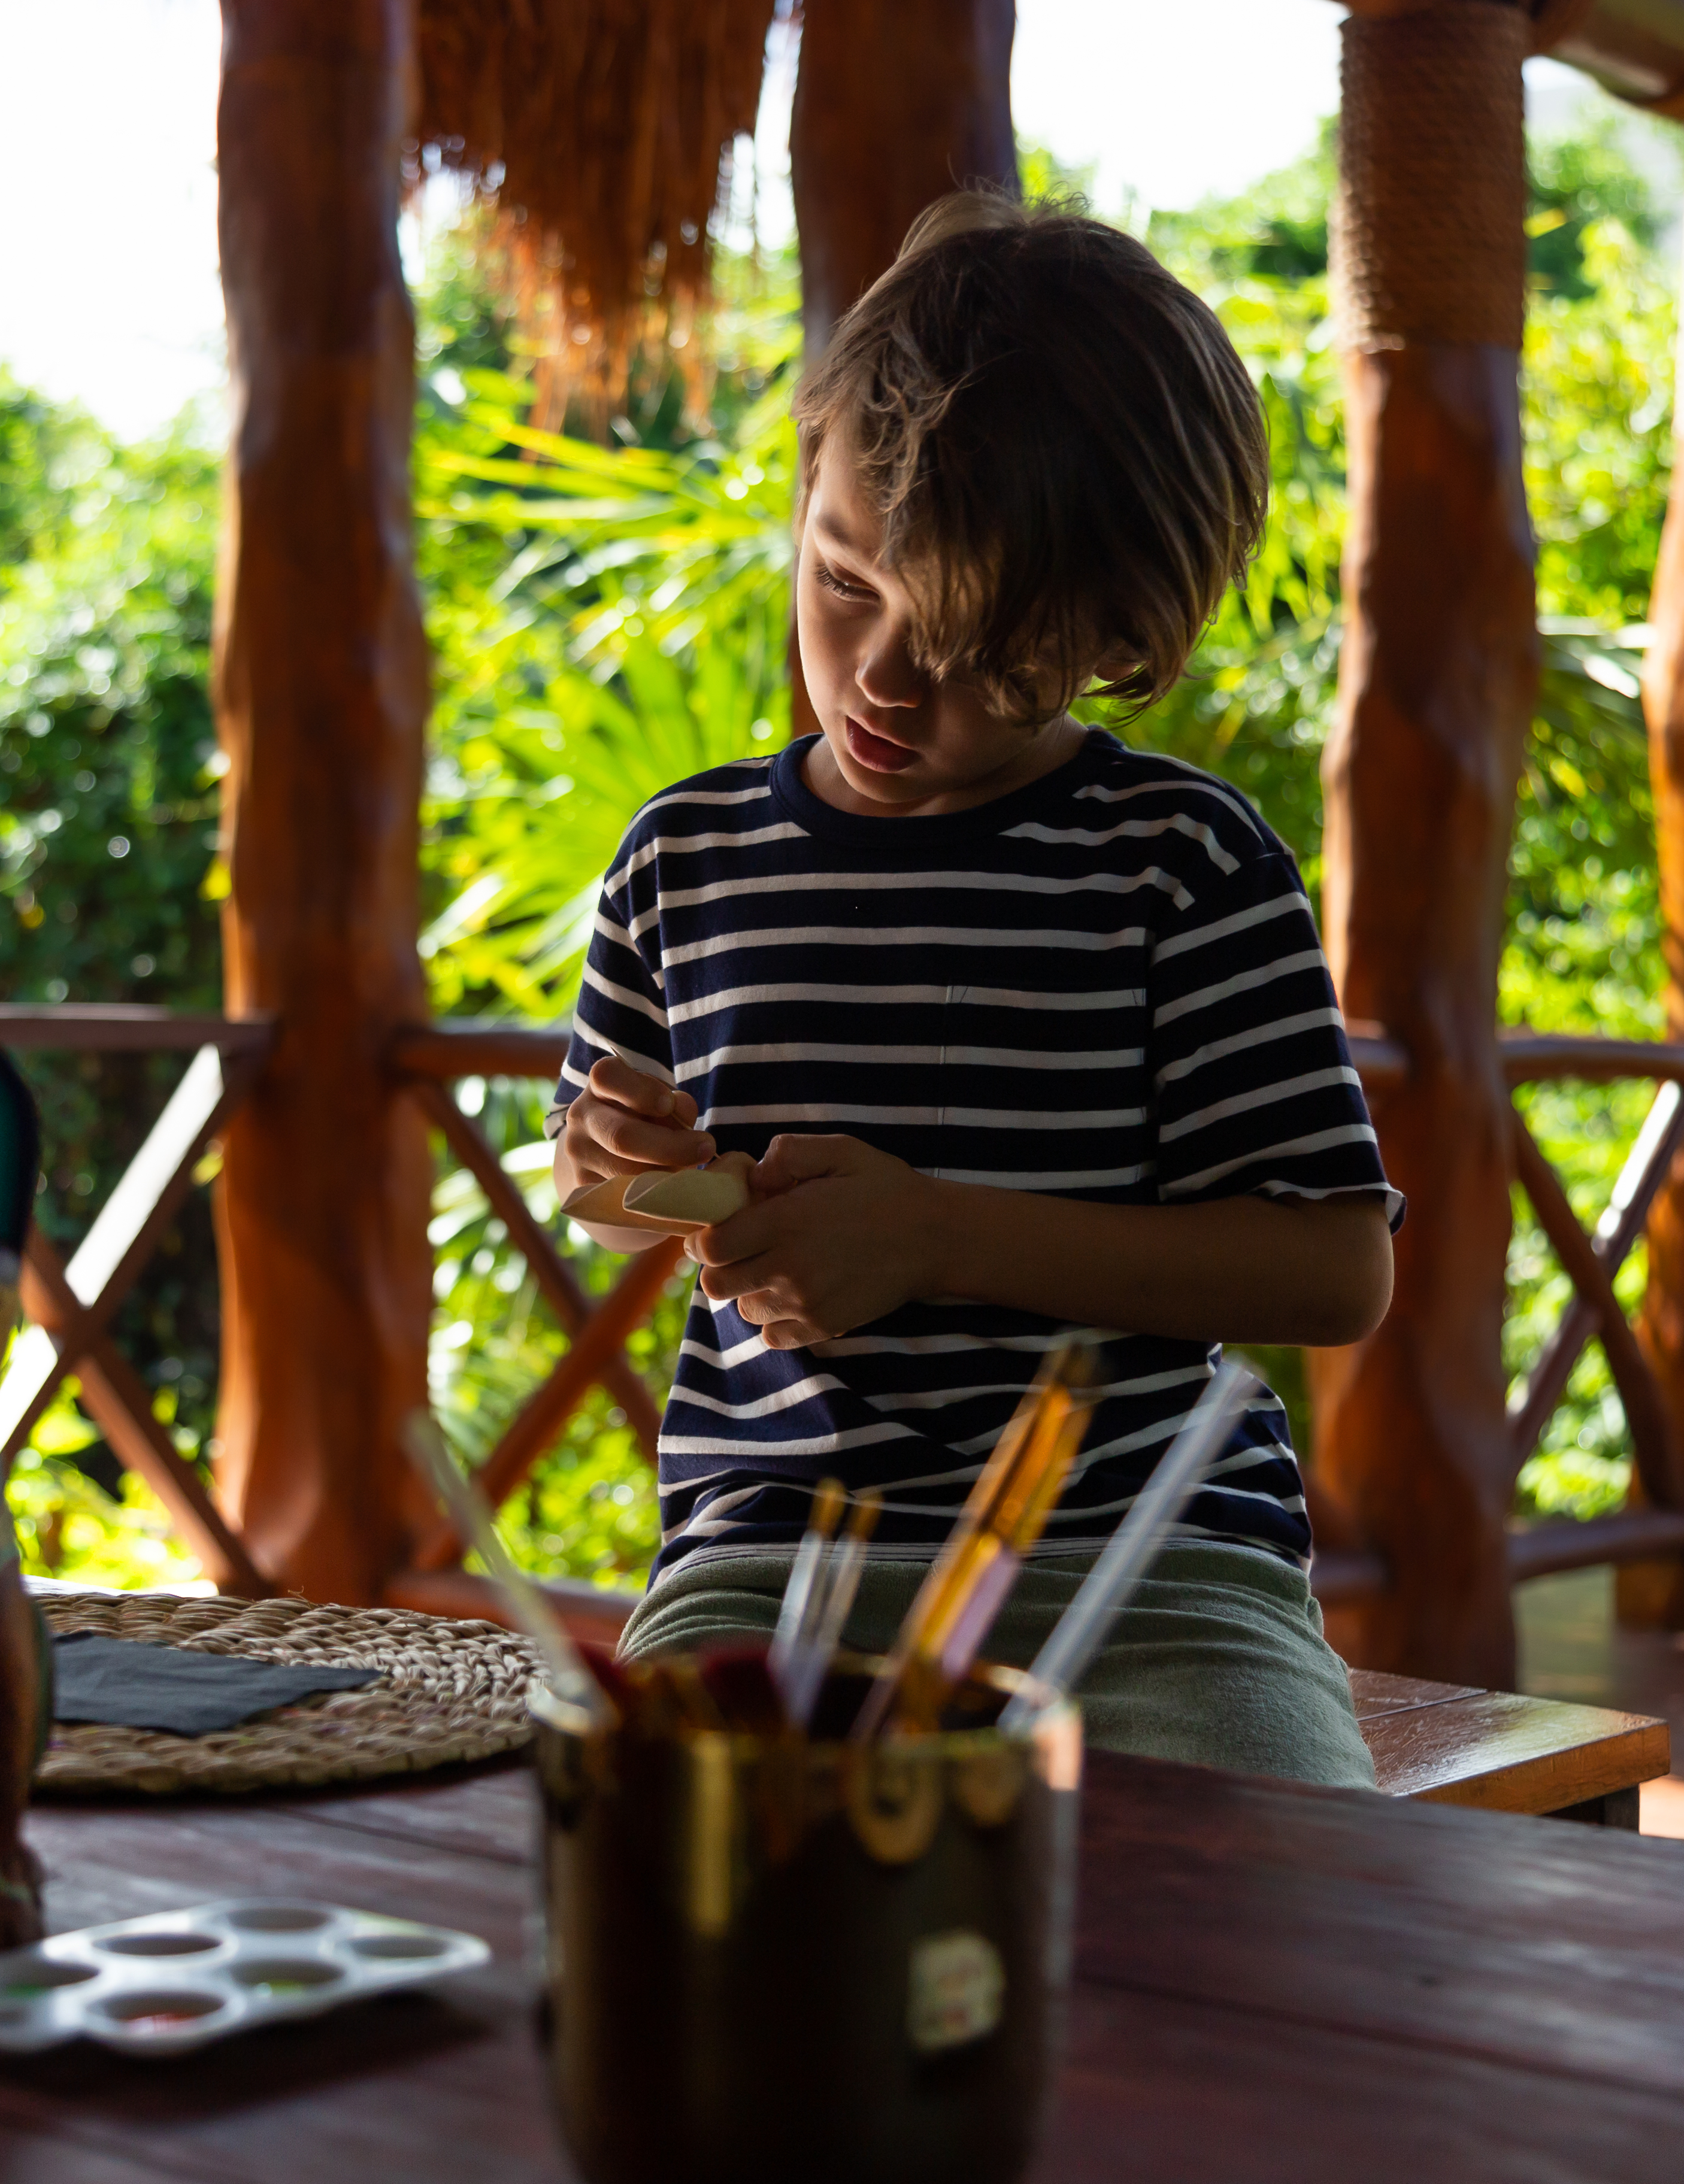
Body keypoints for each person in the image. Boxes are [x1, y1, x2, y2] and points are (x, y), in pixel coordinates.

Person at [547, 191, 1395, 1786]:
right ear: (808, 494)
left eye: (968, 641)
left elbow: (1331, 1269)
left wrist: (935, 1235)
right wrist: (618, 1168)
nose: (879, 676)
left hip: (1145, 1570)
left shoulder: (1179, 864)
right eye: (845, 581)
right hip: (769, 1555)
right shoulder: (686, 860)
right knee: (660, 1878)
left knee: (1275, 1910)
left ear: (1117, 637)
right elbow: (602, 1186)